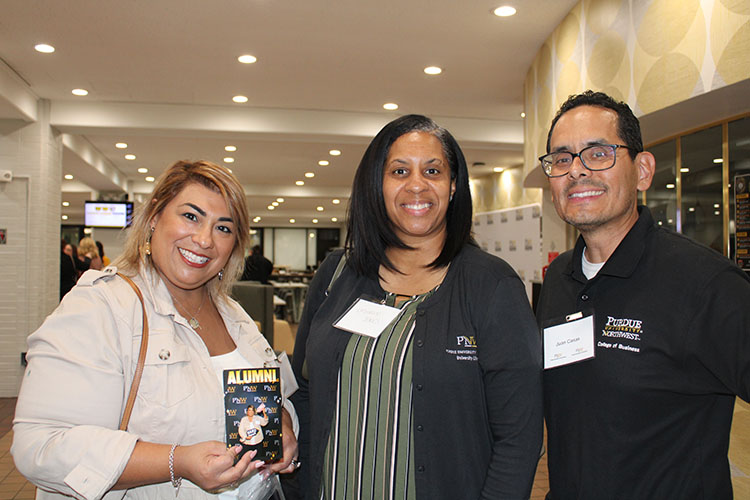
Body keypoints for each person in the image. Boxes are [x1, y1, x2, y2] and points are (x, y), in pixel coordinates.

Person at [13, 160, 300, 499]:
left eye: (224, 228)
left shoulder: (233, 314)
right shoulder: (101, 306)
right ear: (153, 218)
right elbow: (41, 444)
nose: (204, 239)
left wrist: (281, 420)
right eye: (190, 216)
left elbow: (265, 391)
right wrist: (178, 461)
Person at [292, 115, 543, 499]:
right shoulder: (335, 275)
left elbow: (519, 436)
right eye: (399, 170)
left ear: (453, 185)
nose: (416, 184)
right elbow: (305, 392)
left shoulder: (491, 286)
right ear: (377, 184)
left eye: (432, 170)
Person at [536, 90, 750, 499]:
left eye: (598, 153)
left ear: (644, 170)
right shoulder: (560, 279)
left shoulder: (705, 284)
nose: (576, 171)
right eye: (561, 159)